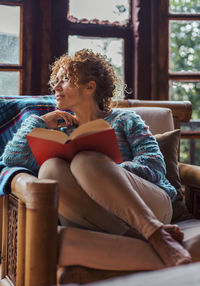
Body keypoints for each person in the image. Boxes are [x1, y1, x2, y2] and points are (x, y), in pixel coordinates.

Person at [2, 49, 191, 268]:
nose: (56, 87)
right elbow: (11, 158)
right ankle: (141, 237)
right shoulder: (59, 131)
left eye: (64, 80)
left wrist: (107, 170)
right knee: (50, 168)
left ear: (89, 87)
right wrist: (40, 121)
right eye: (56, 81)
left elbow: (155, 165)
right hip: (94, 216)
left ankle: (155, 231)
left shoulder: (125, 119)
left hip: (150, 204)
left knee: (85, 161)